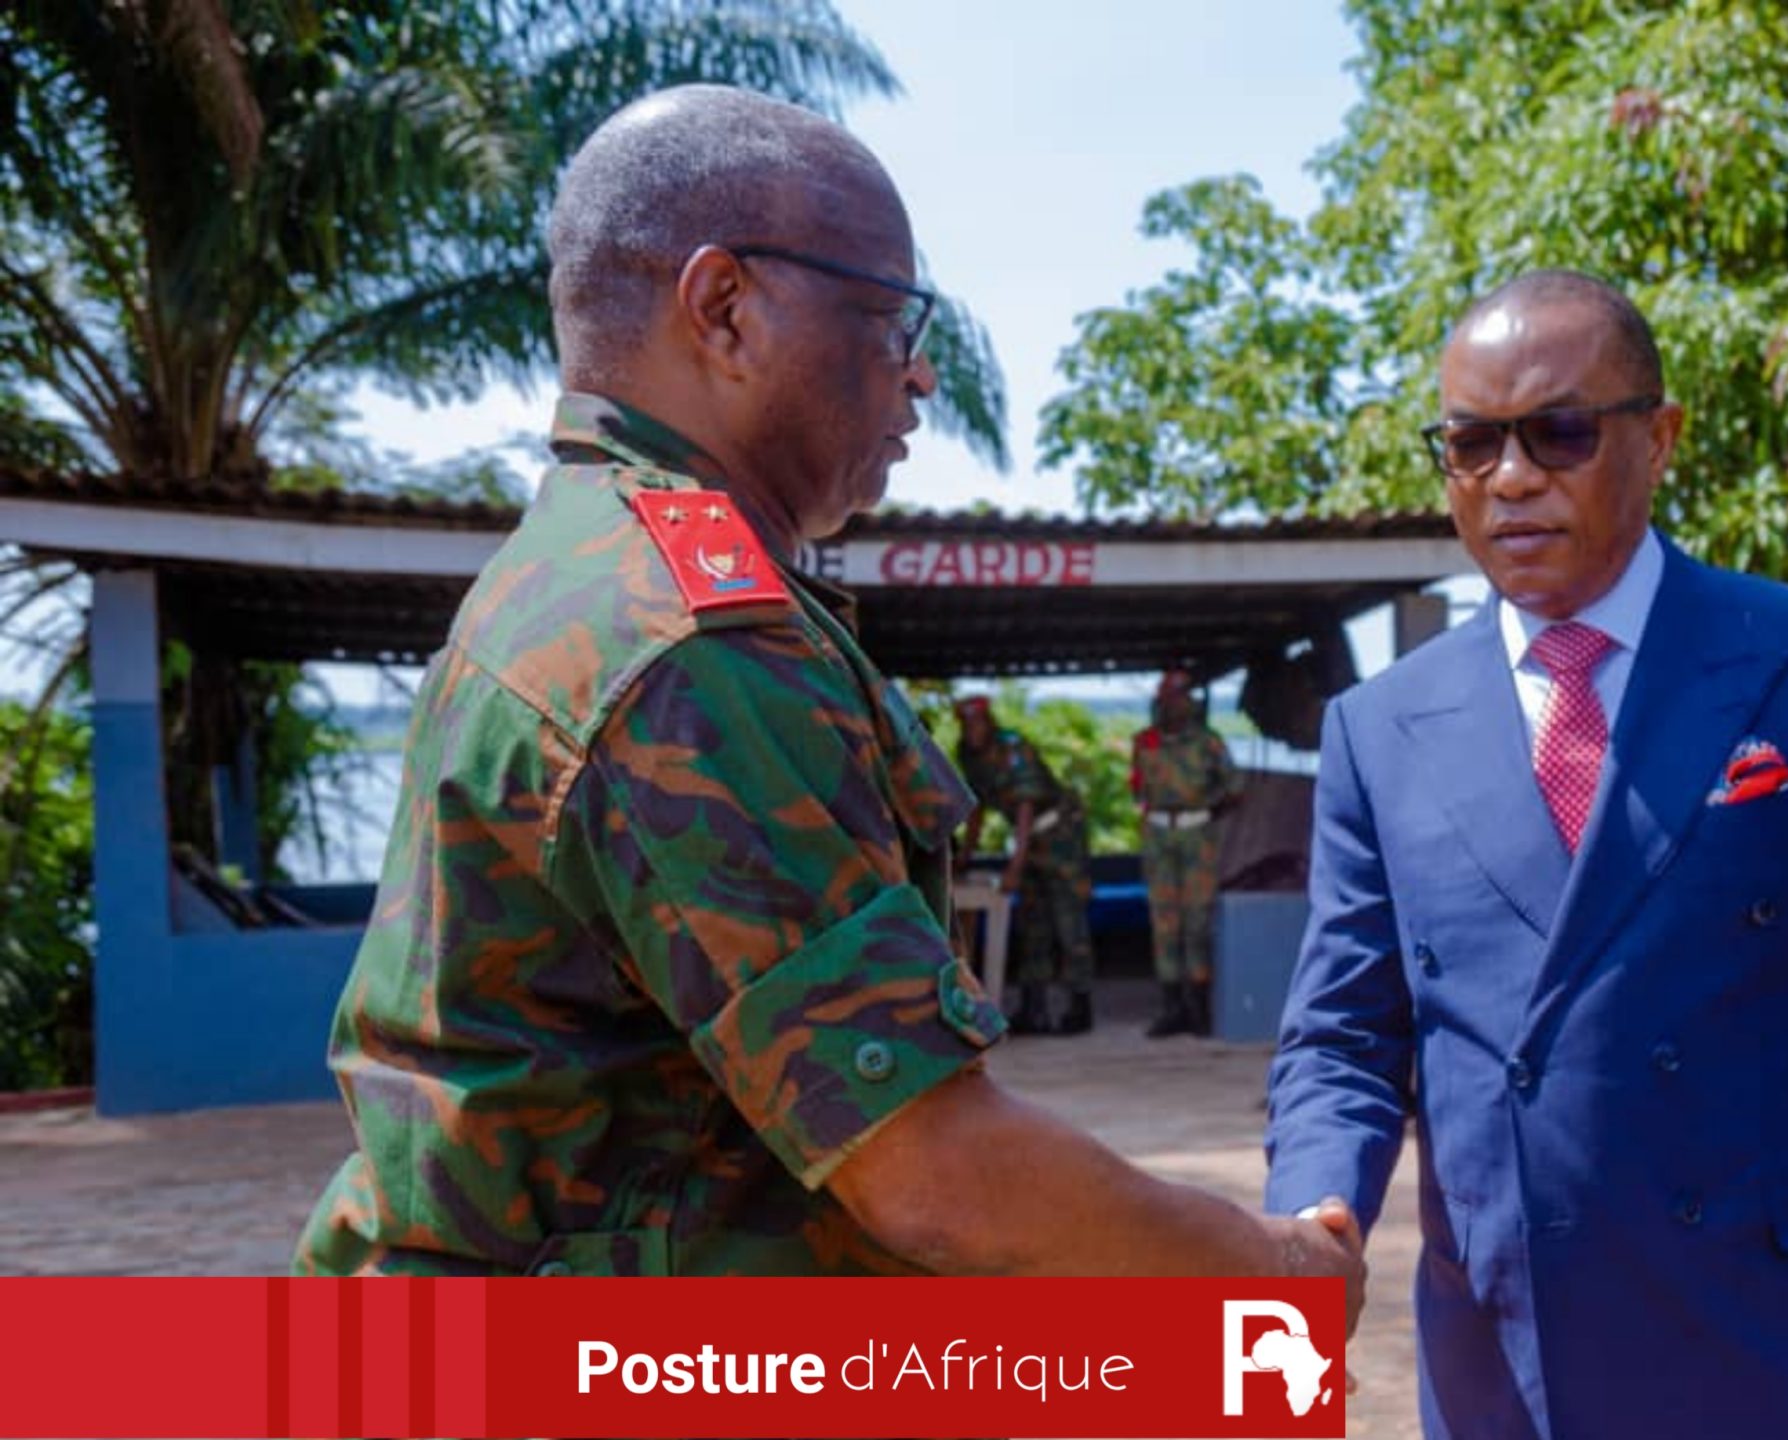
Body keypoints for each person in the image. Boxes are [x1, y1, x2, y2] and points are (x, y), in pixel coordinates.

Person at [293, 85, 1362, 1296]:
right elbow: (935, 1175)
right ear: (725, 309)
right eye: (888, 320)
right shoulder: (684, 640)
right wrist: (1271, 1268)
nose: (920, 379)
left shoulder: (584, 569)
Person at [1263, 269, 1788, 1439]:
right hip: (1509, 1362)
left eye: (1557, 433)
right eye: (1471, 443)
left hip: (1774, 1355)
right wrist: (1315, 1208)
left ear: (1657, 440)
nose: (1511, 477)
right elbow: (1343, 1037)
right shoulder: (1379, 728)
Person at [953, 695, 1096, 1036]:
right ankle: (1034, 1008)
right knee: (1033, 923)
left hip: (1059, 836)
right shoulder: (968, 754)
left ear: (989, 722)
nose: (972, 731)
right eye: (966, 725)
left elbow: (1025, 809)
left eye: (977, 723)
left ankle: (1079, 1007)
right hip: (1028, 841)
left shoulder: (1015, 749)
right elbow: (976, 807)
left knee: (1068, 920)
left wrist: (1014, 867)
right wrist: (964, 856)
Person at [1129, 669, 1241, 1038]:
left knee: (1197, 920)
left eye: (1179, 697)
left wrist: (1206, 814)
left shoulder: (1209, 742)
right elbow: (1137, 789)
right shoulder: (1144, 742)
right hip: (1159, 834)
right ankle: (1171, 1007)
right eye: (1167, 698)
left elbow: (1234, 788)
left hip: (1197, 835)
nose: (1172, 705)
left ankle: (1199, 1008)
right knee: (1164, 922)